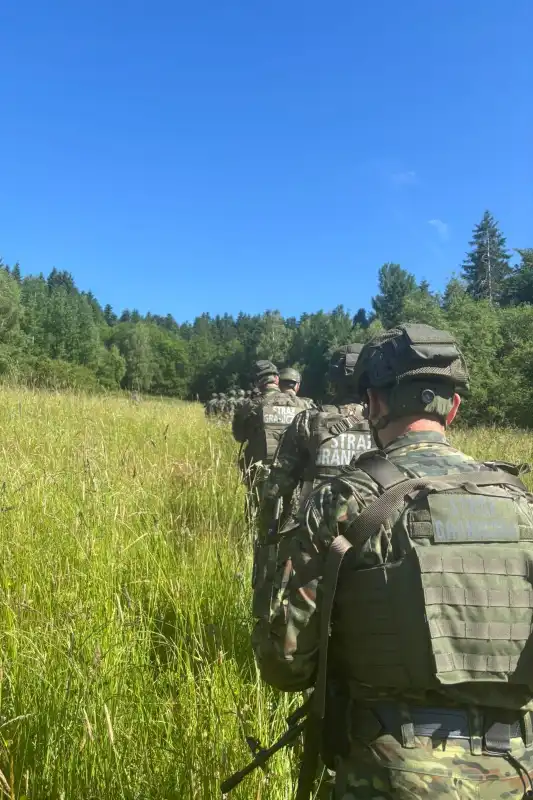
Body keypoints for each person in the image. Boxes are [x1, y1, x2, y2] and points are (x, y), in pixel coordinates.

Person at [252, 323, 533, 799]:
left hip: (385, 777)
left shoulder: (345, 500)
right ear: (455, 408)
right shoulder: (522, 505)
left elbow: (285, 665)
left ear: (374, 404)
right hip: (515, 776)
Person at [260, 344, 372, 536]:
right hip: (370, 532)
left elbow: (277, 485)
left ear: (332, 381)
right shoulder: (384, 423)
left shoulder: (308, 420)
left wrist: (267, 528)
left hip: (315, 536)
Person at [232, 360, 308, 518]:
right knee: (290, 518)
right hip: (293, 473)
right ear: (277, 380)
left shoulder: (251, 405)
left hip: (260, 474)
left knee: (256, 516)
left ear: (257, 383)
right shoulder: (302, 405)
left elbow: (239, 436)